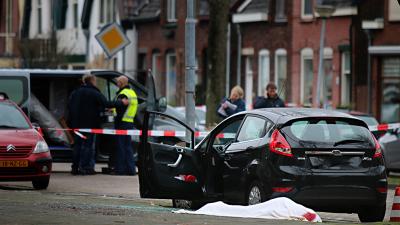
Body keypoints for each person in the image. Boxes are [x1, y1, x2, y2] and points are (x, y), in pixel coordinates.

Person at [67, 74, 108, 175]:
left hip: (77, 125)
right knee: (87, 147)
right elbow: (106, 103)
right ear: (93, 81)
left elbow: (70, 107)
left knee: (77, 146)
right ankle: (85, 168)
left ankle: (75, 168)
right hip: (90, 125)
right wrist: (121, 103)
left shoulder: (75, 92)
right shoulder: (94, 92)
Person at [111, 75, 138, 175]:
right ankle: (131, 170)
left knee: (120, 147)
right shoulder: (132, 92)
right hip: (129, 123)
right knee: (127, 147)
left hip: (121, 123)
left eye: (117, 82)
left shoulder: (123, 94)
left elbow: (120, 109)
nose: (117, 84)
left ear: (121, 83)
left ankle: (120, 170)